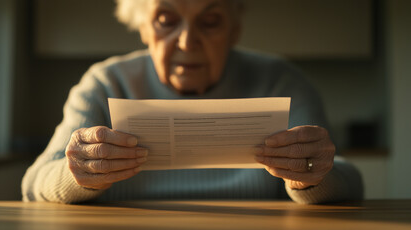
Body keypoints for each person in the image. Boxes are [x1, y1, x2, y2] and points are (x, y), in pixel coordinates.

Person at [22, 0, 363, 204]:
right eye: (166, 21)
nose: (187, 40)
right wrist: (78, 172)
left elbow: (350, 181)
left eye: (210, 22)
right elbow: (33, 184)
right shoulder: (105, 82)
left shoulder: (283, 81)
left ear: (234, 29)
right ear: (143, 27)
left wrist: (313, 176)